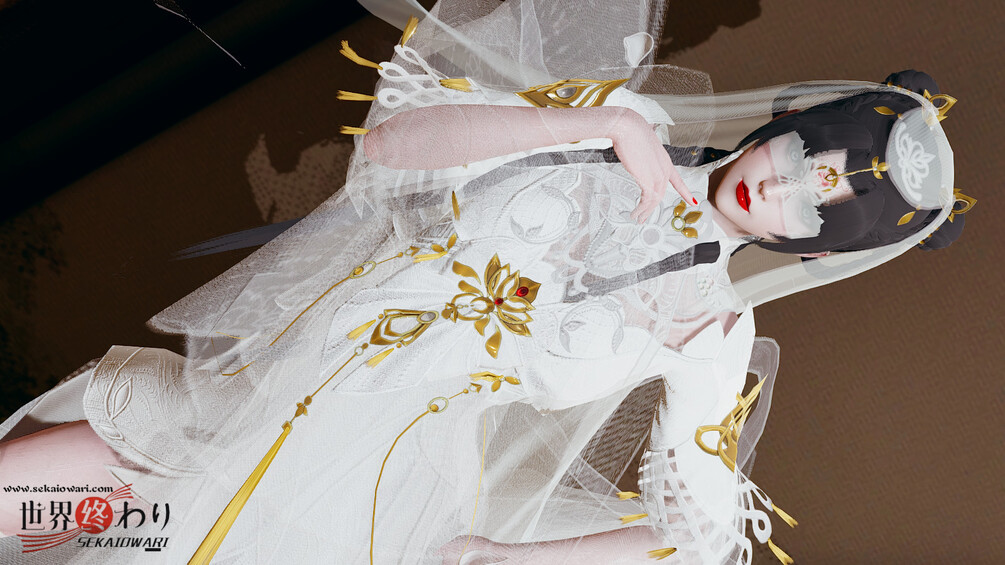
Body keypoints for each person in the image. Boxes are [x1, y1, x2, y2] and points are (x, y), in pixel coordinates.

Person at [0, 1, 971, 563]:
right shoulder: (614, 122)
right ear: (790, 119)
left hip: (363, 493)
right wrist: (598, 125)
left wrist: (510, 556)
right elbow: (393, 145)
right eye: (805, 155)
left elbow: (700, 540)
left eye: (818, 208)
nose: (785, 186)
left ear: (818, 252)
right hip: (244, 396)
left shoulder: (709, 331)